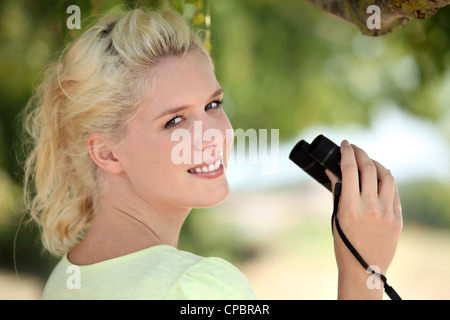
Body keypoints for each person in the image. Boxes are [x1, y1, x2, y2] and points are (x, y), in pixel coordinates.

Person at [23, 8, 402, 300]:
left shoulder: (66, 278)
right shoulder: (196, 288)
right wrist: (363, 272)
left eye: (213, 104)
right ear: (107, 153)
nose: (215, 135)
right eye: (174, 121)